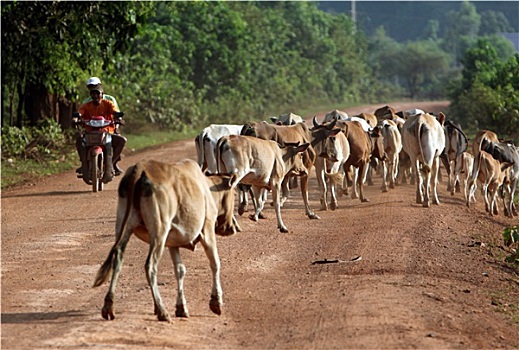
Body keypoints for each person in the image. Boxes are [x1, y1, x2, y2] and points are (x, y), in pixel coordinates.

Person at [75, 84, 126, 182]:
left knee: (121, 141)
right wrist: (75, 118)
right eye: (93, 94)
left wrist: (118, 118)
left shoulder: (108, 103)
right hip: (90, 132)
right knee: (79, 141)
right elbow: (80, 113)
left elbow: (115, 111)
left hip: (107, 132)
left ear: (102, 95)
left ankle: (111, 163)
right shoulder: (86, 106)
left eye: (97, 93)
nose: (95, 96)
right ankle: (84, 163)